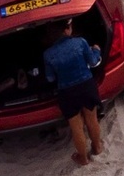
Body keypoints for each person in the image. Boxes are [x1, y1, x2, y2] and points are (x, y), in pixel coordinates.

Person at [41, 18, 105, 165]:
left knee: (76, 127)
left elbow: (50, 78)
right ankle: (97, 147)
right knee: (92, 119)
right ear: (66, 30)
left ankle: (82, 158)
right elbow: (93, 62)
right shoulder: (80, 42)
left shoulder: (48, 54)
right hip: (86, 85)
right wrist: (96, 50)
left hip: (66, 92)